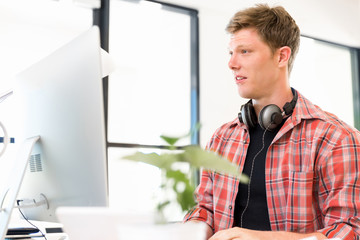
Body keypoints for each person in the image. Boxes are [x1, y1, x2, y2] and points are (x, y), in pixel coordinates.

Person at [183, 4, 360, 240]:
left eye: (245, 51)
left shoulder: (336, 138)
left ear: (281, 56)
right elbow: (204, 209)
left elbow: (349, 231)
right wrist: (195, 228)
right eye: (231, 52)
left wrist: (259, 238)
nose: (232, 63)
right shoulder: (222, 138)